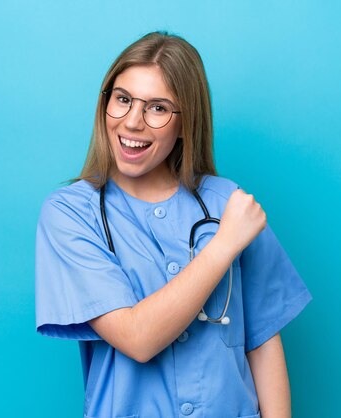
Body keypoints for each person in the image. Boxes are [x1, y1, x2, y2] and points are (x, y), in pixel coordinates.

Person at [35, 31, 311, 418]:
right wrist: (223, 245)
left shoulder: (227, 203)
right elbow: (138, 338)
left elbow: (262, 341)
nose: (132, 122)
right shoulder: (71, 213)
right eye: (123, 99)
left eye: (158, 108)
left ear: (186, 123)